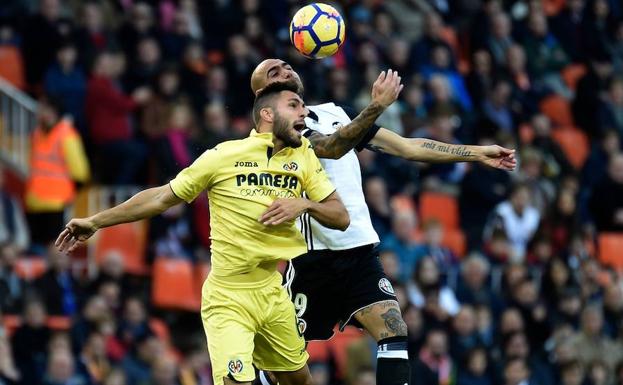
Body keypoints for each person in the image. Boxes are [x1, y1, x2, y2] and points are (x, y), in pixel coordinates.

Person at [56, 80, 362, 385]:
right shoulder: (223, 156)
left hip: (272, 290)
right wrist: (96, 221)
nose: (304, 112)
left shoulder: (303, 157)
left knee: (300, 381)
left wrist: (304, 205)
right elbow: (161, 197)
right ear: (267, 114)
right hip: (229, 295)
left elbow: (341, 217)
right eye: (294, 105)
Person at [250, 58, 516, 385]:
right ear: (263, 95)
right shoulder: (276, 132)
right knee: (281, 367)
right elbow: (332, 147)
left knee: (393, 330)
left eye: (287, 66)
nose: (286, 72)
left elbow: (407, 147)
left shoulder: (336, 113)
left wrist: (475, 153)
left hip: (359, 252)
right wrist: (375, 106)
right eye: (273, 73)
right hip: (313, 260)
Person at [25, 96, 89, 248]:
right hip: (34, 202)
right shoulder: (36, 134)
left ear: (53, 111)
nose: (38, 112)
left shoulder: (66, 134)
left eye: (42, 108)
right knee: (35, 250)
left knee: (54, 248)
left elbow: (80, 172)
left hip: (56, 203)